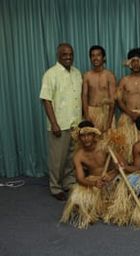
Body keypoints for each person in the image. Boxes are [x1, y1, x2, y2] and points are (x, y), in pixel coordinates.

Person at [39, 43, 82, 201]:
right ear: (58, 55)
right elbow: (46, 100)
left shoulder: (77, 73)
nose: (68, 57)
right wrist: (54, 123)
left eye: (70, 54)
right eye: (64, 54)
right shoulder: (51, 74)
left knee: (71, 157)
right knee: (58, 159)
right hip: (59, 125)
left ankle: (68, 182)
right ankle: (55, 187)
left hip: (75, 124)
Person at [60, 121, 117, 229]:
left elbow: (121, 166)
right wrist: (94, 183)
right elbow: (80, 178)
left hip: (110, 178)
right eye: (83, 136)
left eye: (89, 135)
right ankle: (93, 209)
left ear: (94, 135)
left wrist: (112, 175)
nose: (86, 139)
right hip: (93, 181)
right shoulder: (78, 156)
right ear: (79, 138)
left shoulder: (105, 146)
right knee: (76, 199)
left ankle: (107, 209)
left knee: (120, 197)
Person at [116, 48, 140, 163]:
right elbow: (119, 100)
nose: (136, 64)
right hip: (127, 117)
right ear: (129, 63)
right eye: (133, 61)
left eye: (138, 61)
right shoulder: (124, 81)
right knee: (126, 146)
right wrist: (130, 113)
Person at [82, 45, 116, 133]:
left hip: (106, 113)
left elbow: (113, 100)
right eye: (92, 55)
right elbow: (84, 96)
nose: (95, 58)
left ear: (103, 57)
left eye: (98, 55)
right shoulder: (87, 76)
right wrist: (87, 116)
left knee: (107, 143)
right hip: (91, 112)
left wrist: (109, 122)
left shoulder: (109, 75)